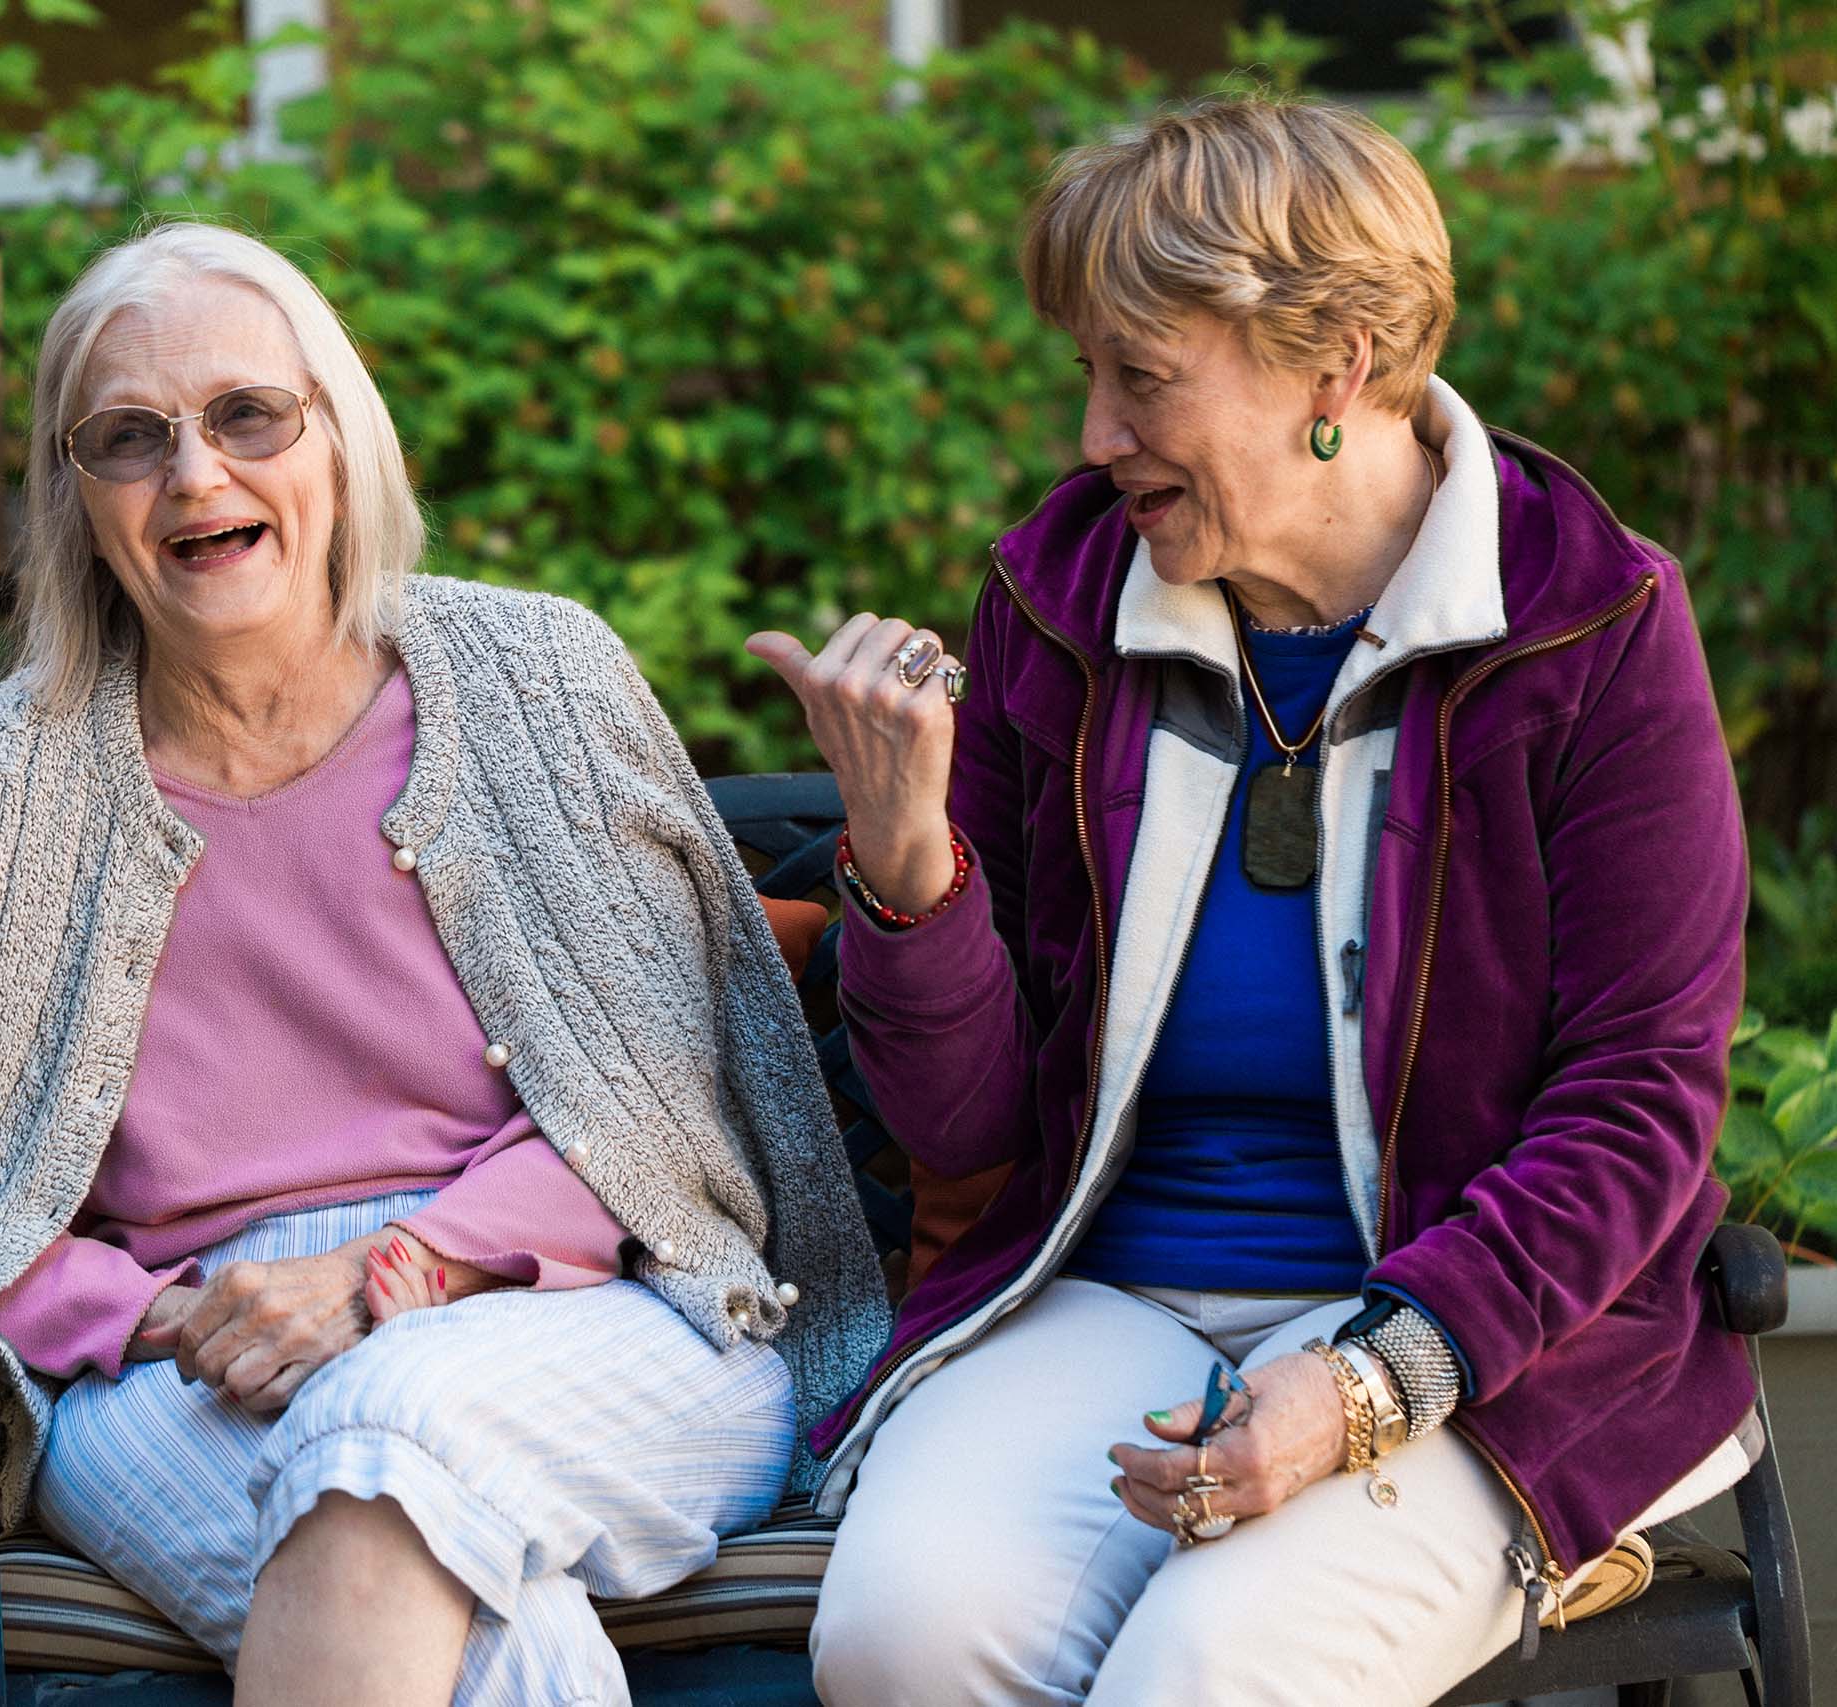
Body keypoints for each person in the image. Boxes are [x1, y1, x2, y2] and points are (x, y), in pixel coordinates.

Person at [0, 220, 887, 1707]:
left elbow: (661, 1110)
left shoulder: (536, 678)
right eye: (130, 438)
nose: (195, 476)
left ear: (339, 433)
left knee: (382, 1433)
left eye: (249, 415)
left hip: (588, 1313)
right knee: (500, 1643)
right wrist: (166, 1316)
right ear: (75, 495)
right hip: (185, 1363)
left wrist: (398, 1279)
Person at [753, 95, 1759, 1704]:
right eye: (1087, 374)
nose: (1093, 436)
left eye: (1142, 378)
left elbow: (1640, 1102)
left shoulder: (1588, 625)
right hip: (1113, 1287)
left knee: (1212, 1674)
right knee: (903, 1640)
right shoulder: (1058, 602)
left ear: (1336, 366)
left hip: (1490, 1331)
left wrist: (1368, 1380)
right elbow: (966, 1129)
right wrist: (904, 857)